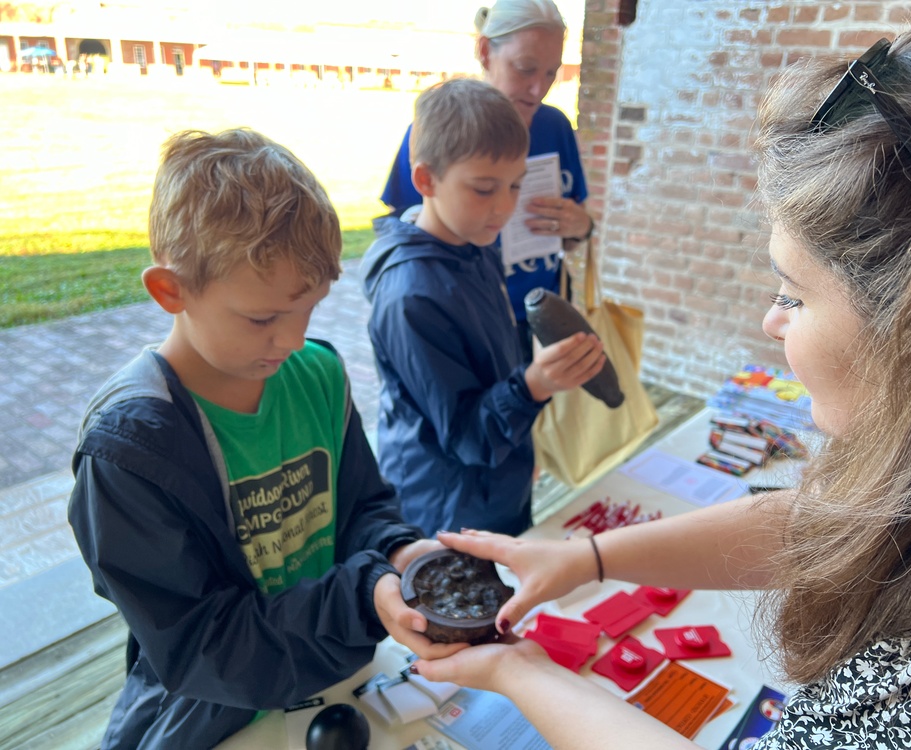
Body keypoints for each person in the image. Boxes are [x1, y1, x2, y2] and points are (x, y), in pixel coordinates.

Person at [411, 5, 911, 748]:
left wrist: (520, 672)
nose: (771, 321)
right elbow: (828, 523)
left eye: (792, 292)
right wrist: (587, 556)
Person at [67, 128, 461, 749]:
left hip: (337, 674)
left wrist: (395, 552)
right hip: (211, 712)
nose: (293, 340)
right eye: (262, 318)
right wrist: (361, 595)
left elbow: (362, 504)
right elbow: (203, 643)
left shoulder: (318, 375)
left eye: (309, 308)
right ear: (171, 290)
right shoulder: (131, 452)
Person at [361, 78, 605, 538]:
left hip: (496, 479)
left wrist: (520, 445)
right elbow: (465, 435)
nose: (504, 208)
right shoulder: (411, 296)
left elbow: (493, 368)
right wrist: (535, 384)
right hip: (445, 511)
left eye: (515, 186)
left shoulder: (476, 243)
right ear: (425, 180)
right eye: (483, 188)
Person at [380, 0, 593, 362]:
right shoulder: (438, 130)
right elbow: (396, 231)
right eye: (525, 69)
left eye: (551, 73)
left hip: (543, 313)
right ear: (484, 51)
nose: (538, 88)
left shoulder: (554, 126)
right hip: (467, 321)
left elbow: (575, 224)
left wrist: (580, 226)